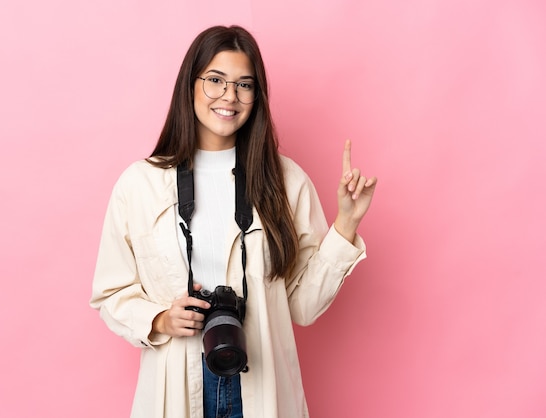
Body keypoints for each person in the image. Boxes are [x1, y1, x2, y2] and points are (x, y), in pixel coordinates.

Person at [90, 25, 377, 418]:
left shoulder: (285, 181)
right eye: (215, 80)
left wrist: (346, 223)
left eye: (245, 84)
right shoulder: (139, 185)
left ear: (257, 97)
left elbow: (304, 307)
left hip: (260, 383)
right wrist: (159, 318)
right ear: (189, 85)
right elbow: (110, 293)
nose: (230, 96)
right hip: (178, 383)